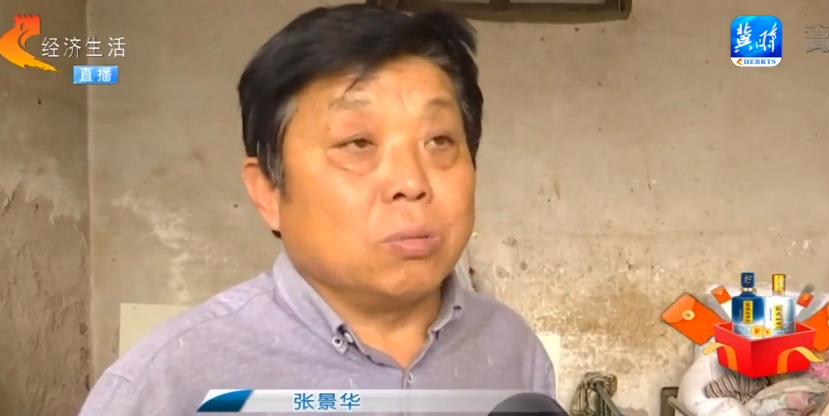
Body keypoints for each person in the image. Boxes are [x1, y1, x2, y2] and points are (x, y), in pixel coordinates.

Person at [79, 4, 555, 414]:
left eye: (440, 140)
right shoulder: (171, 383)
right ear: (268, 191)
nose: (411, 183)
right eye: (358, 143)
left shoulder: (513, 353)